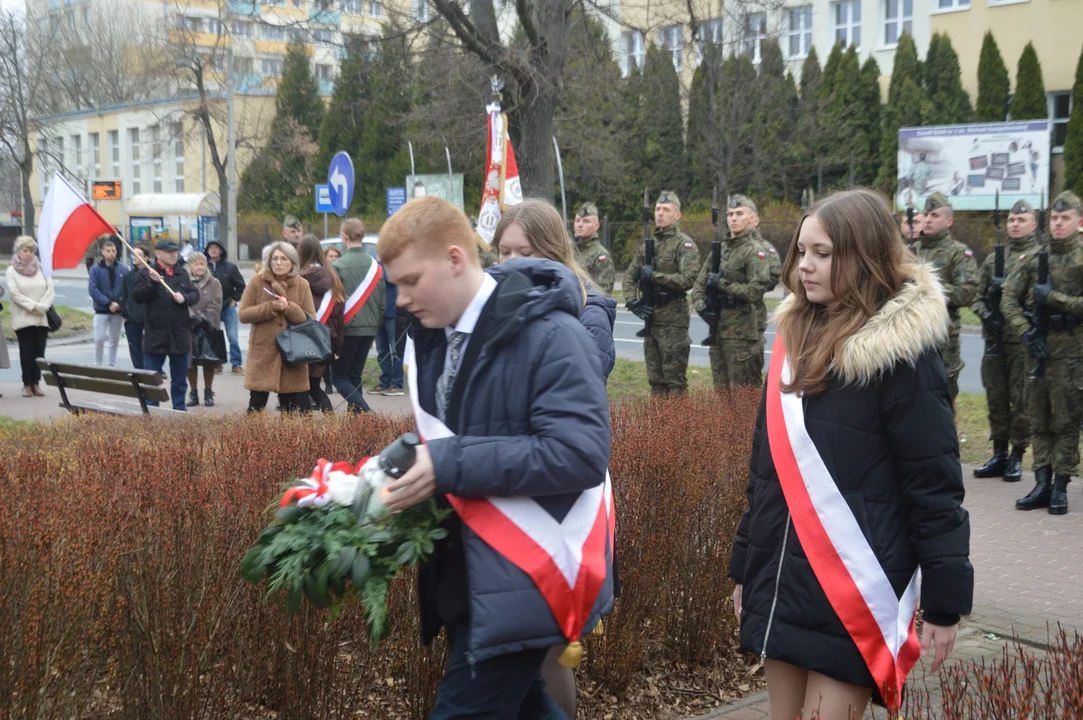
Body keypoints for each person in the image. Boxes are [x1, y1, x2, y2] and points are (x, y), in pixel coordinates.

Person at [729, 189, 973, 719]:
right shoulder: (793, 338)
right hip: (781, 577)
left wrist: (946, 599)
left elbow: (933, 484)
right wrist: (746, 566)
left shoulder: (905, 357)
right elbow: (764, 472)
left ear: (862, 254)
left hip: (853, 586)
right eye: (801, 251)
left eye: (823, 252)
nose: (804, 266)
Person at [377, 196, 612, 720]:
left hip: (525, 574)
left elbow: (578, 454)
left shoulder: (553, 335)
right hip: (471, 579)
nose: (400, 299)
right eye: (396, 284)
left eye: (411, 280)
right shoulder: (438, 337)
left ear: (456, 259)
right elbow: (456, 438)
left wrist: (449, 463)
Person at [1002, 191, 1083, 516]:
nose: (1059, 224)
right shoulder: (1036, 259)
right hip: (1037, 351)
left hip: (1072, 354)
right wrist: (1024, 331)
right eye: (1054, 218)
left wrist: (1055, 300)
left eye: (1065, 218)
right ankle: (1042, 483)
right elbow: (1008, 299)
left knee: (1065, 422)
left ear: (1079, 221)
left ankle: (1061, 488)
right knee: (1039, 419)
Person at [496, 199, 616, 380]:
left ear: (552, 252)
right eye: (504, 252)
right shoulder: (496, 305)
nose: (512, 262)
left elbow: (576, 391)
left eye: (525, 253)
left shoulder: (589, 317)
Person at [970, 200, 1039, 482]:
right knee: (996, 398)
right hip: (996, 340)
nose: (1014, 224)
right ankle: (999, 453)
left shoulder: (1039, 257)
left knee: (1021, 400)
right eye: (1011, 220)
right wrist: (987, 315)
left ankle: (1017, 455)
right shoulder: (992, 260)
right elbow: (975, 296)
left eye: (1021, 220)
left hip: (1021, 341)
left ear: (1034, 225)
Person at [692, 195, 773, 389]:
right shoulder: (719, 251)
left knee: (744, 401)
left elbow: (755, 291)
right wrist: (702, 309)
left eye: (739, 214)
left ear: (751, 219)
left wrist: (723, 284)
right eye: (730, 214)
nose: (733, 218)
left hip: (742, 337)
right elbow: (698, 286)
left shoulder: (755, 252)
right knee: (722, 399)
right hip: (718, 333)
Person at [623, 190, 699, 395]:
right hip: (651, 319)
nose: (660, 213)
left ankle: (676, 427)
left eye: (666, 209)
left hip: (673, 321)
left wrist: (654, 276)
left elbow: (687, 279)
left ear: (678, 215)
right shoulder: (649, 245)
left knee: (674, 381)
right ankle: (658, 425)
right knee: (655, 380)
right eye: (657, 209)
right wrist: (632, 302)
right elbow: (629, 276)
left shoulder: (684, 244)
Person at [914, 192, 978, 402]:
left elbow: (967, 293)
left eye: (935, 215)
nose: (928, 219)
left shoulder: (958, 253)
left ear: (948, 221)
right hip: (912, 337)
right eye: (926, 214)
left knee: (943, 400)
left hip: (943, 340)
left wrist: (928, 286)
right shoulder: (911, 251)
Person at [238, 241, 315, 413]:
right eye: (274, 259)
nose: (278, 263)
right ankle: (251, 440)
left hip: (292, 354)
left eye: (283, 259)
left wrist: (289, 308)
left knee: (289, 409)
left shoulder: (302, 285)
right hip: (263, 351)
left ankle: (284, 440)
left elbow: (310, 319)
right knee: (256, 406)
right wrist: (270, 308)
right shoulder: (258, 282)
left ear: (293, 262)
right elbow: (243, 314)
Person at [133, 239, 199, 410]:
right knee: (152, 380)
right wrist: (153, 283)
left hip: (179, 334)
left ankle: (179, 410)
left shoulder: (182, 273)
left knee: (179, 379)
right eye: (170, 252)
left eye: (176, 251)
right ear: (159, 253)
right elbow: (138, 296)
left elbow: (194, 294)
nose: (174, 254)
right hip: (156, 334)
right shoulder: (147, 273)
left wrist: (185, 299)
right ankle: (152, 411)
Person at [331, 218, 386, 413]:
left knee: (338, 376)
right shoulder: (376, 266)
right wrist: (375, 329)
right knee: (354, 375)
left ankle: (365, 411)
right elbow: (382, 303)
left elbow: (334, 305)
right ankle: (356, 422)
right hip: (370, 328)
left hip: (347, 329)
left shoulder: (337, 266)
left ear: (344, 237)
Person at [298, 234, 345, 412]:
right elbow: (339, 313)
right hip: (327, 337)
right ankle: (330, 421)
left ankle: (305, 428)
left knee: (302, 385)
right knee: (315, 384)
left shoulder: (297, 278)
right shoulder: (333, 276)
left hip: (304, 336)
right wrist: (338, 346)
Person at [6, 236, 55, 397]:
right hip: (23, 318)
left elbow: (50, 289)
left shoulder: (41, 268)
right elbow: (14, 293)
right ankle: (27, 384)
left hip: (41, 318)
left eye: (30, 251)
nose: (28, 254)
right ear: (18, 252)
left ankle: (36, 383)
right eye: (24, 251)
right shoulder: (12, 271)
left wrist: (43, 306)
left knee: (39, 353)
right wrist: (34, 306)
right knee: (26, 354)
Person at [185, 252, 223, 407]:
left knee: (208, 361)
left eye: (202, 263)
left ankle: (209, 392)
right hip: (189, 327)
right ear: (190, 266)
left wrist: (203, 318)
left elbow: (217, 304)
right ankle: (193, 392)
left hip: (209, 327)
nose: (200, 267)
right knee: (190, 362)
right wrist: (192, 316)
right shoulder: (185, 282)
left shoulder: (214, 282)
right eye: (196, 264)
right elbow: (181, 301)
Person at [368, 250, 406, 397]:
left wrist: (380, 263)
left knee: (395, 350)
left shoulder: (393, 265)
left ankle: (397, 383)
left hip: (393, 313)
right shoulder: (376, 265)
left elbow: (390, 278)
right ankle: (385, 381)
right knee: (382, 350)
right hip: (379, 314)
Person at [205, 239, 246, 375]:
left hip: (228, 306)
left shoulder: (230, 267)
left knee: (232, 336)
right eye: (210, 248)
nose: (213, 250)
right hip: (211, 308)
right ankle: (217, 363)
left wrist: (235, 299)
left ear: (221, 251)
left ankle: (236, 364)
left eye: (216, 248)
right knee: (214, 336)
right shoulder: (203, 266)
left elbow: (241, 285)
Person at [88, 234, 128, 367]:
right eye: (109, 251)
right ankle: (98, 363)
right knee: (99, 338)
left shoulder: (123, 269)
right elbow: (93, 290)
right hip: (101, 310)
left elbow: (126, 289)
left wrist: (119, 303)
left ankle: (111, 364)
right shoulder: (96, 269)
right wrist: (108, 303)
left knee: (114, 339)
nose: (112, 254)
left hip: (117, 310)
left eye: (114, 251)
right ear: (103, 252)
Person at [572, 202, 615, 296]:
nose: (580, 224)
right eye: (577, 220)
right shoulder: (570, 251)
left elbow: (603, 293)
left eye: (586, 221)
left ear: (597, 226)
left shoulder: (601, 255)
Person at [119, 244, 151, 370]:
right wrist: (124, 313)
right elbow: (124, 295)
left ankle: (153, 368)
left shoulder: (152, 274)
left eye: (138, 255)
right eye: (133, 254)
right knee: (134, 345)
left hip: (148, 317)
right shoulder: (128, 276)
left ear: (146, 258)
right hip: (132, 317)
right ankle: (139, 369)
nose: (134, 257)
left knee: (149, 345)